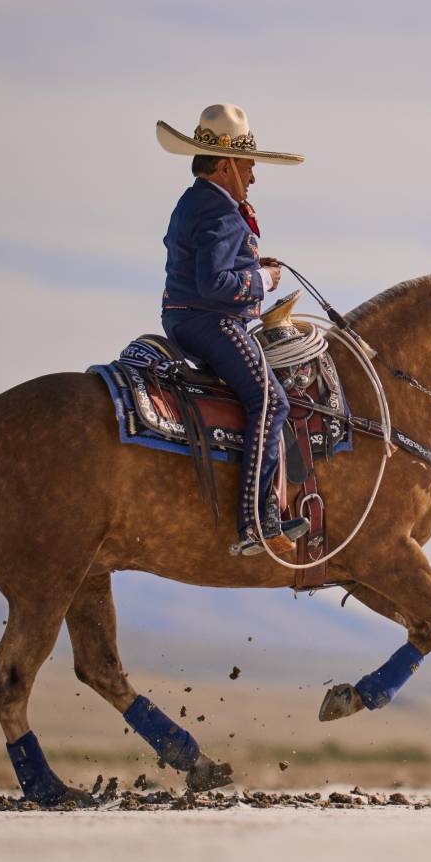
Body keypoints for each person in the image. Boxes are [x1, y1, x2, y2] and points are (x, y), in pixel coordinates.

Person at [154, 103, 311, 560]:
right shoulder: (219, 210)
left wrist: (252, 267)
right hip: (211, 321)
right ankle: (256, 522)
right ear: (225, 165)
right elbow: (214, 284)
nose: (253, 176)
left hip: (186, 317)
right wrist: (263, 280)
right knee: (271, 400)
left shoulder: (198, 201)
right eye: (248, 166)